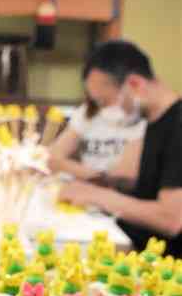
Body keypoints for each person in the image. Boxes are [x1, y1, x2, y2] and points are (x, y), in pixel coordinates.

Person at [60, 40, 182, 255]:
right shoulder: (153, 122)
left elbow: (171, 219)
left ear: (135, 84)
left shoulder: (177, 124)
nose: (104, 112)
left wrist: (96, 195)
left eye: (105, 102)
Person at [48, 90, 145, 179]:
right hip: (88, 187)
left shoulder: (141, 115)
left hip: (123, 192)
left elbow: (125, 176)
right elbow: (54, 156)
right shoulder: (86, 112)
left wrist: (77, 171)